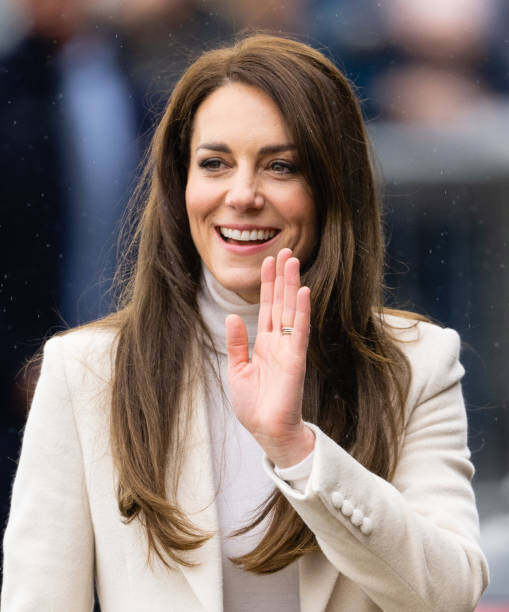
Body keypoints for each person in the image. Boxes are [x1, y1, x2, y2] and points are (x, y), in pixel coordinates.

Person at [1, 34, 488, 611]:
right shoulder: (85, 371)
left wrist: (296, 448)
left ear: (333, 188)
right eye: (215, 163)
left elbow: (449, 596)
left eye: (280, 166)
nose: (242, 195)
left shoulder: (416, 361)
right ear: (181, 183)